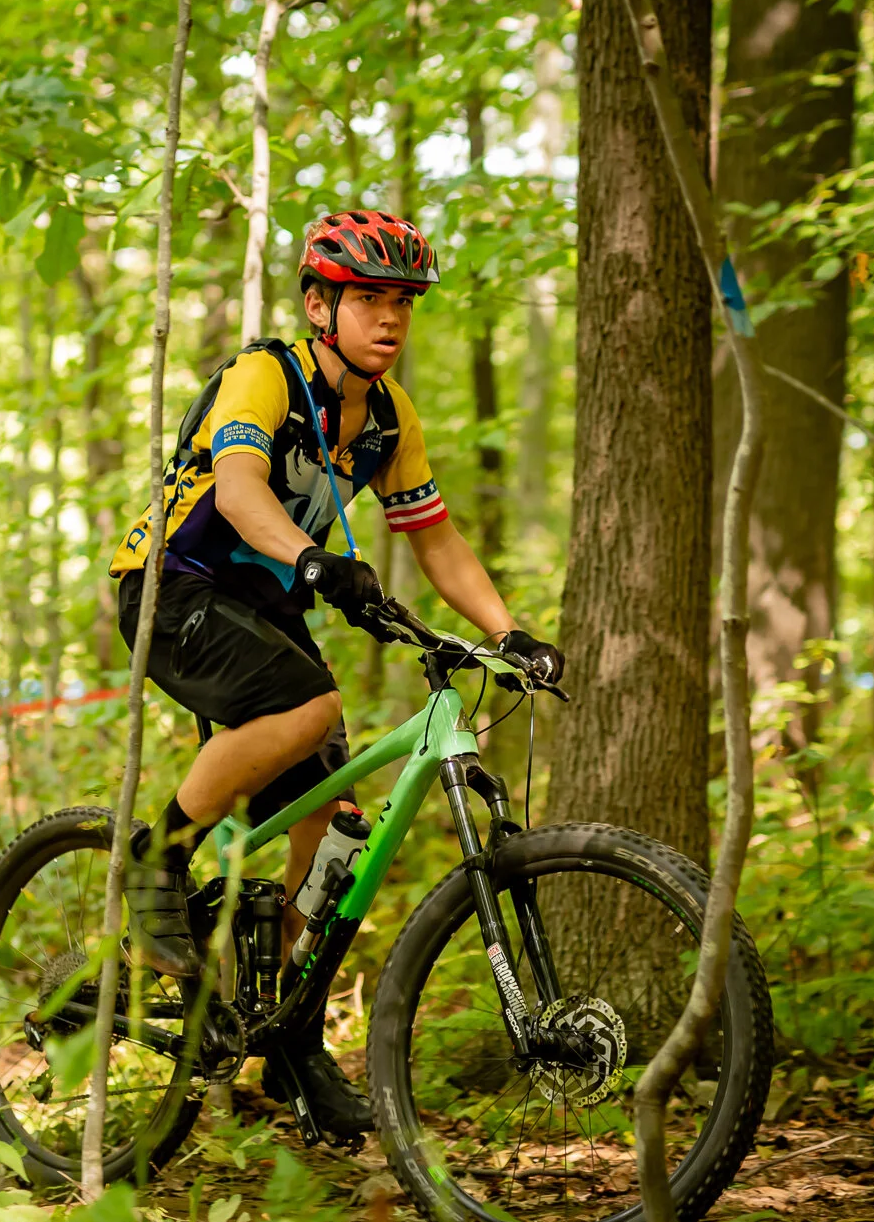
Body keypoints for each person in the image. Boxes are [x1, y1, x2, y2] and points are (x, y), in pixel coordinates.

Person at [106, 210, 564, 1139]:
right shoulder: (266, 376)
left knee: (334, 832)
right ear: (321, 306)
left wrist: (509, 633)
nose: (389, 318)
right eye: (368, 299)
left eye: (403, 303)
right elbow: (241, 492)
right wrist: (315, 561)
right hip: (173, 585)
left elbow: (435, 538)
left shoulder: (390, 418)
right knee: (311, 707)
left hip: (265, 607)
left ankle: (289, 1038)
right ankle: (155, 863)